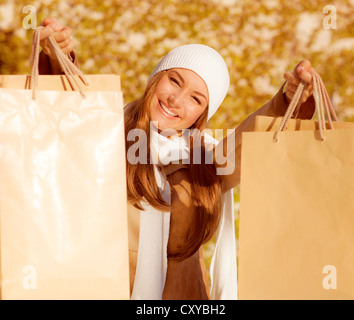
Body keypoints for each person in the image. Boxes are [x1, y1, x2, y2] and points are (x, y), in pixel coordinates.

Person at [38, 18, 316, 300]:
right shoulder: (102, 133)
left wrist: (288, 101)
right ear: (155, 78)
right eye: (174, 81)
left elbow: (253, 140)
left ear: (201, 115)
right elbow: (66, 112)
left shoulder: (205, 161)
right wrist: (57, 59)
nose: (176, 100)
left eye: (195, 99)